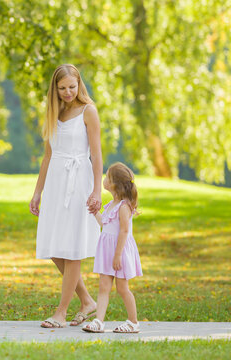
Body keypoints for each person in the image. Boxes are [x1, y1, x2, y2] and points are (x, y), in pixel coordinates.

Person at [30, 64, 102, 328]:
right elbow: (47, 157)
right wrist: (37, 192)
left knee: (72, 250)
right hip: (56, 184)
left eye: (72, 86)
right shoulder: (53, 113)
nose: (68, 92)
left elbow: (96, 155)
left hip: (79, 183)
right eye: (62, 88)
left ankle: (60, 312)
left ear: (79, 84)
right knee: (54, 246)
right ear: (55, 89)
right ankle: (86, 301)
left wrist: (96, 190)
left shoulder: (88, 112)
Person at [82, 162, 143, 333]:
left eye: (107, 177)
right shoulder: (111, 205)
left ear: (114, 183)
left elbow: (124, 231)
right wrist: (95, 212)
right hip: (107, 251)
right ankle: (98, 321)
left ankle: (133, 322)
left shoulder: (124, 207)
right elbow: (105, 224)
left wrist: (117, 256)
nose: (104, 180)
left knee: (123, 288)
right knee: (103, 287)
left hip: (119, 252)